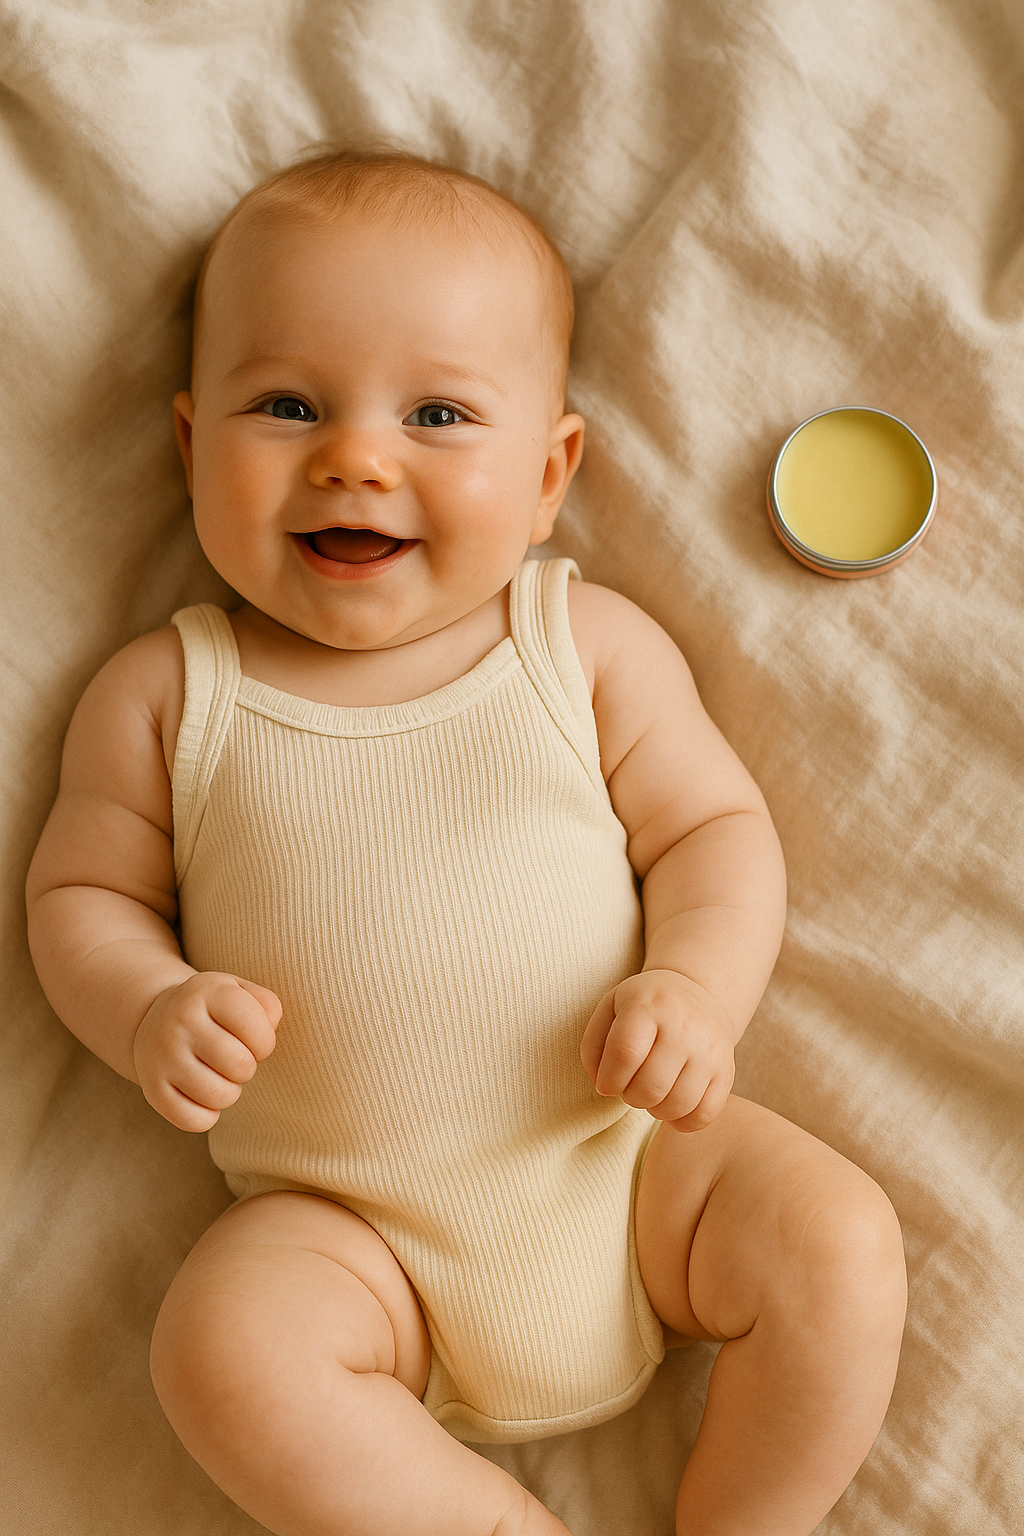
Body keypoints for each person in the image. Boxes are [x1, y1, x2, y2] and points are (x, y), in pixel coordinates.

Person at [25, 150, 906, 1536]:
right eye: (286, 405)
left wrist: (695, 990)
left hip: (631, 1172)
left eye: (437, 412)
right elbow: (82, 891)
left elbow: (715, 833)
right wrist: (147, 1005)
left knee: (840, 1243)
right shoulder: (167, 693)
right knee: (218, 1346)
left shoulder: (579, 646)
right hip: (358, 1245)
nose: (355, 455)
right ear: (193, 447)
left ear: (550, 473)